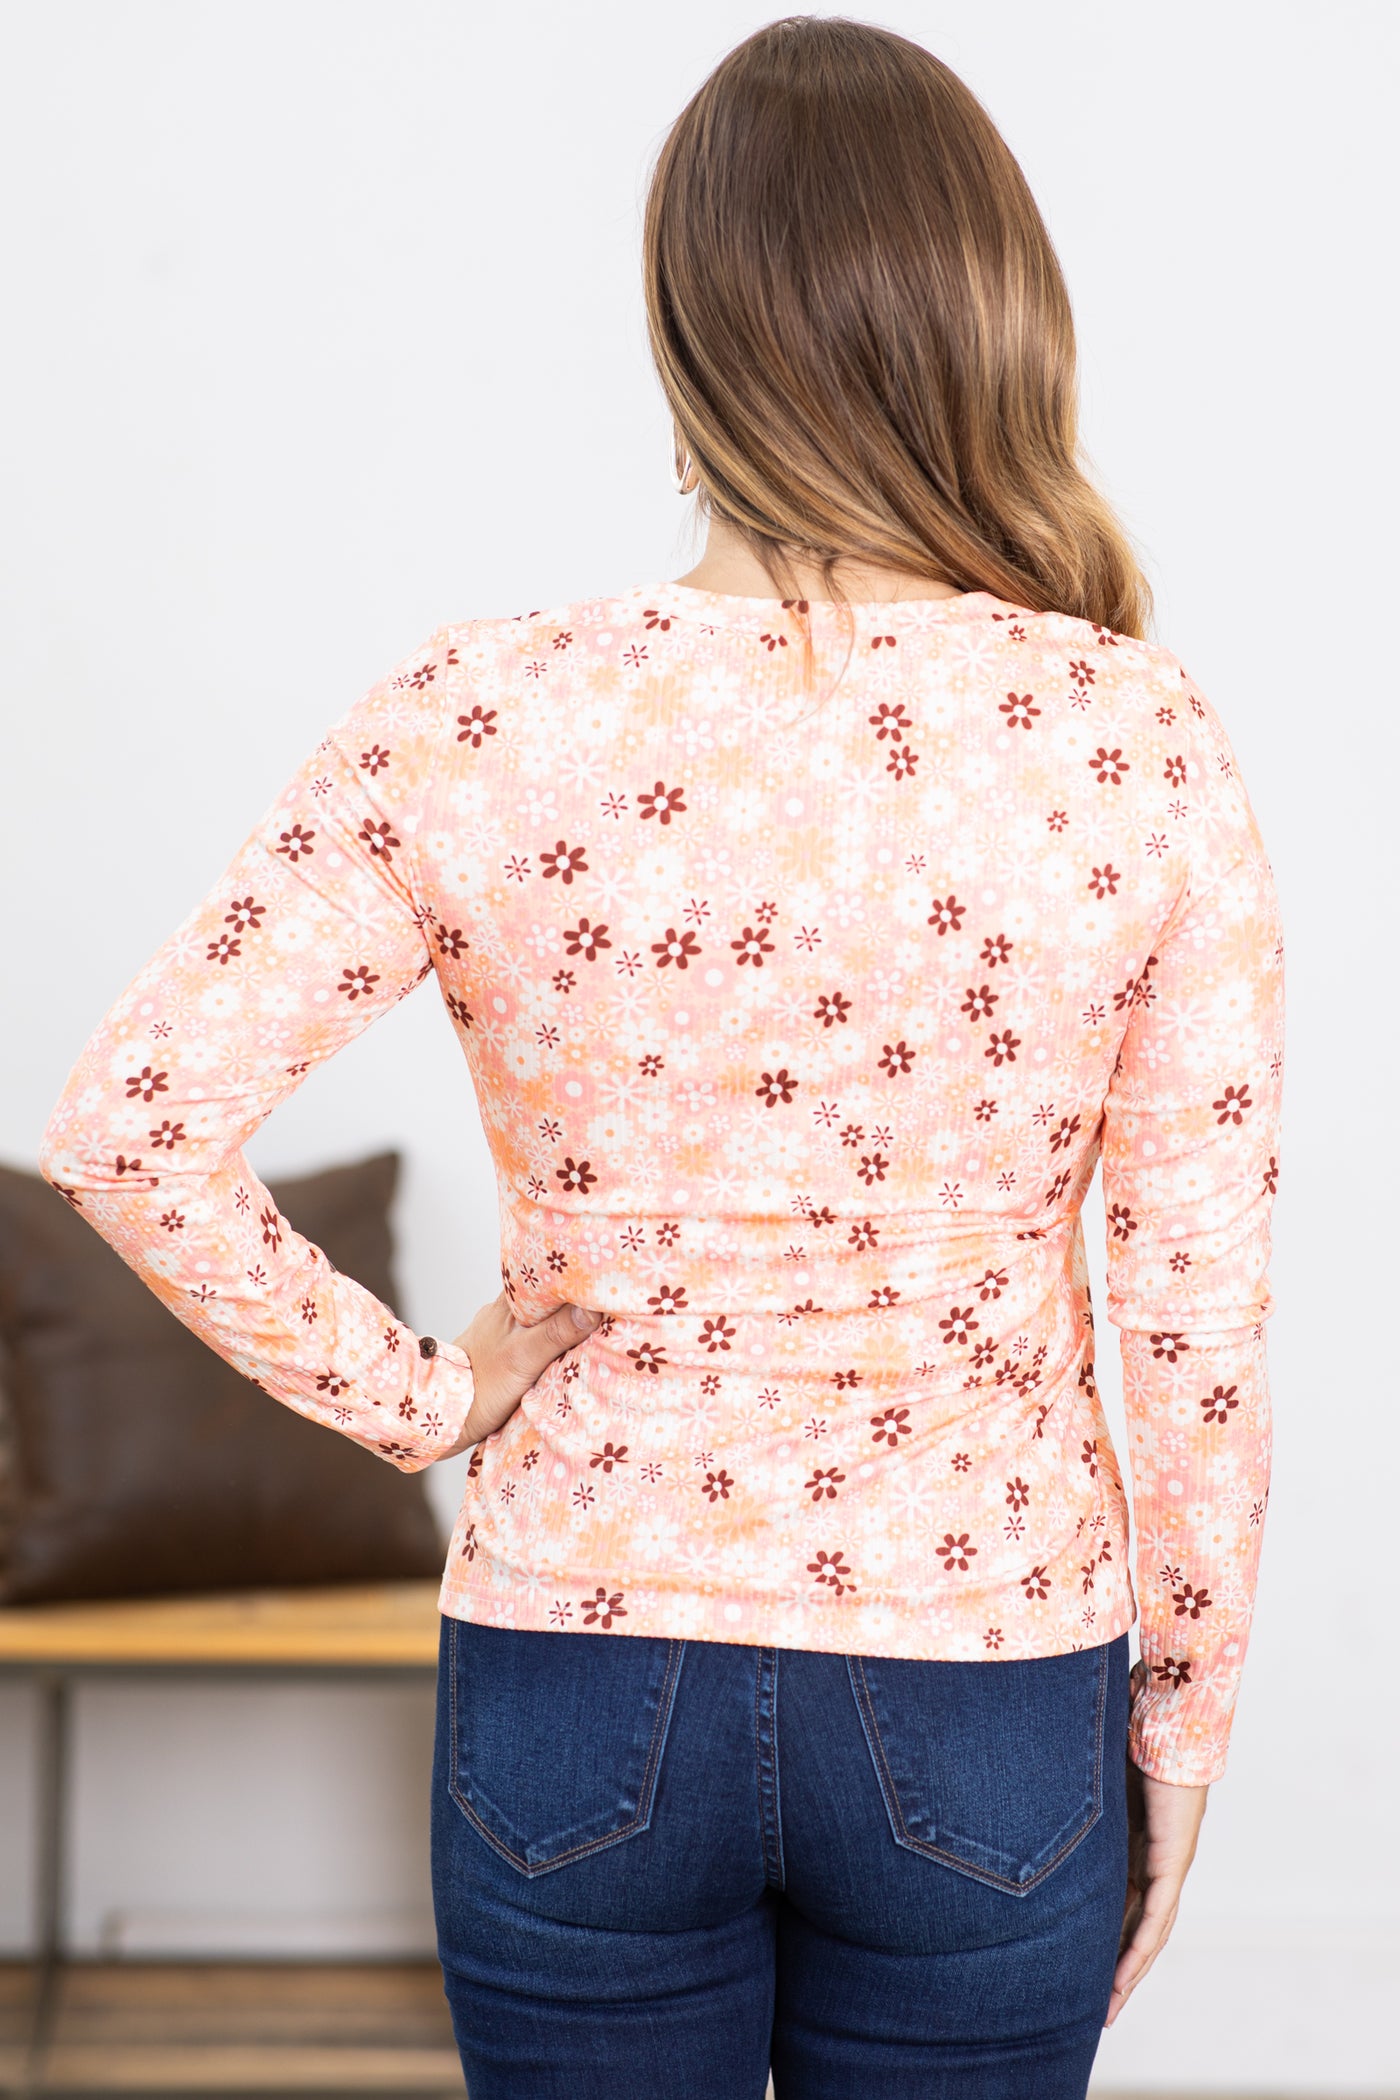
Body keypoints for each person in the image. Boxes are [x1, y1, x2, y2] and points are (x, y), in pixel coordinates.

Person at [38, 16, 1282, 2097]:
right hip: (985, 1690)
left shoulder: (482, 713)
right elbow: (1195, 1318)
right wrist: (1184, 1725)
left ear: (684, 334)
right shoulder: (1132, 738)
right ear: (994, 319)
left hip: (579, 1676)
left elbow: (127, 1129)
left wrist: (428, 1402)